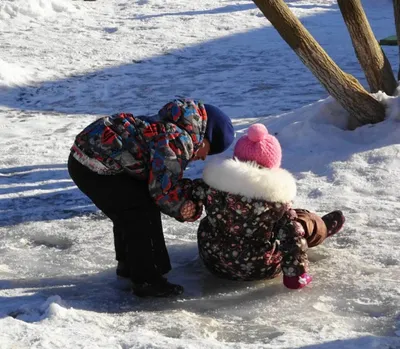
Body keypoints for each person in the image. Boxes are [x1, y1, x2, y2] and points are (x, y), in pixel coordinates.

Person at [67, 98, 234, 297]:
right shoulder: (179, 140)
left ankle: (129, 265)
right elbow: (163, 191)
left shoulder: (170, 126)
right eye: (209, 149)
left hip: (86, 159)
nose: (204, 156)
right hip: (95, 167)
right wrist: (185, 208)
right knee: (140, 212)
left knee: (129, 207)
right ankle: (147, 279)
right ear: (204, 136)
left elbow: (158, 176)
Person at [186, 123, 345, 289]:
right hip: (259, 267)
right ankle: (321, 228)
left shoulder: (212, 186)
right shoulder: (275, 203)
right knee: (300, 220)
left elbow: (189, 193)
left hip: (214, 261)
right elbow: (292, 235)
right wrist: (295, 275)